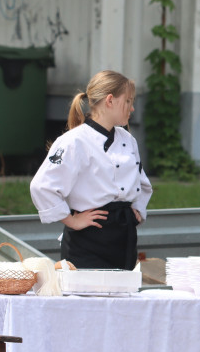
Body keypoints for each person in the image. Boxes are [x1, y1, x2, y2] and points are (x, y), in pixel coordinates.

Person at [30, 70, 152, 270]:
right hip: (88, 240)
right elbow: (41, 186)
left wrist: (137, 208)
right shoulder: (74, 141)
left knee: (123, 298)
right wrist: (72, 220)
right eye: (128, 101)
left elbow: (141, 181)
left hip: (125, 238)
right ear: (110, 100)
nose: (132, 109)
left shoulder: (128, 140)